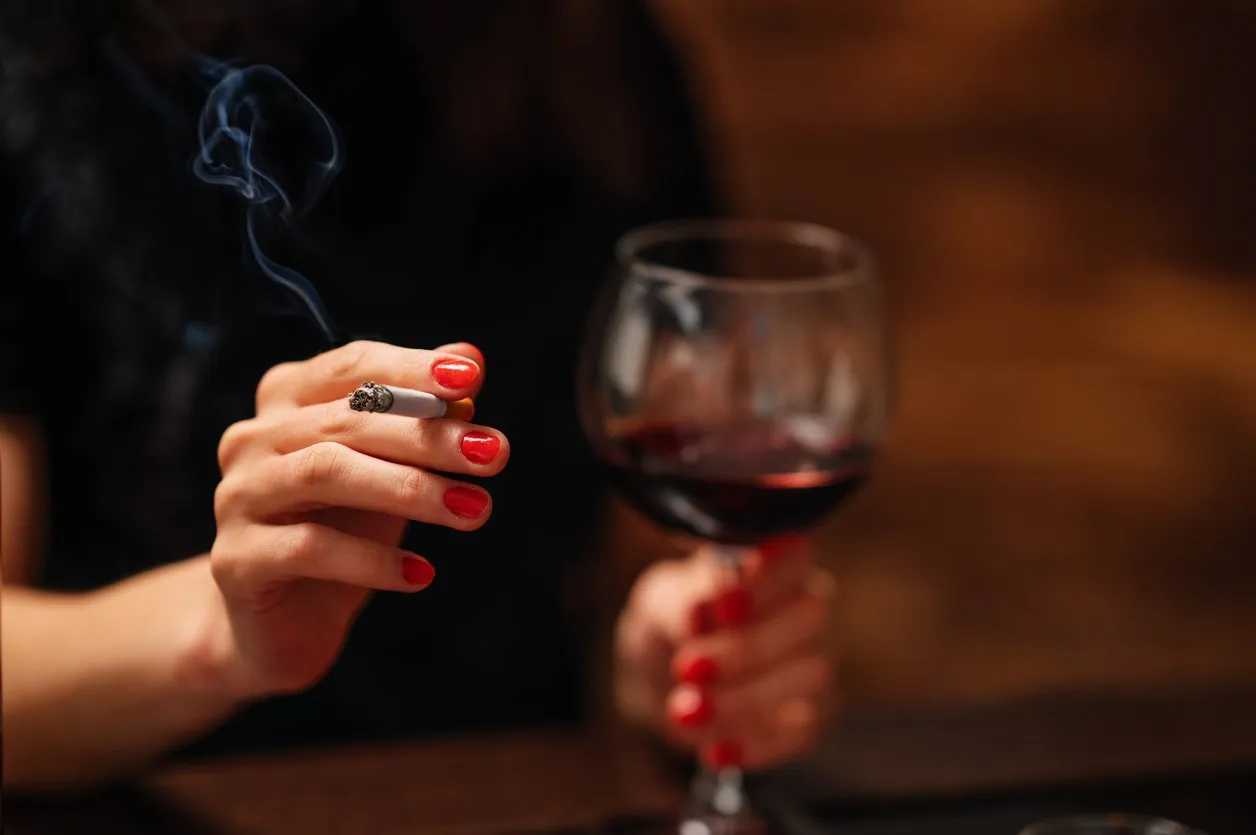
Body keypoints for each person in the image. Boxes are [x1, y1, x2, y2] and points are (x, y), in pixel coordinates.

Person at [0, 0, 835, 790]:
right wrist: (221, 635)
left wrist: (673, 649)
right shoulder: (41, 53)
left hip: (519, 798)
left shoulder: (594, 47)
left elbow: (646, 541)